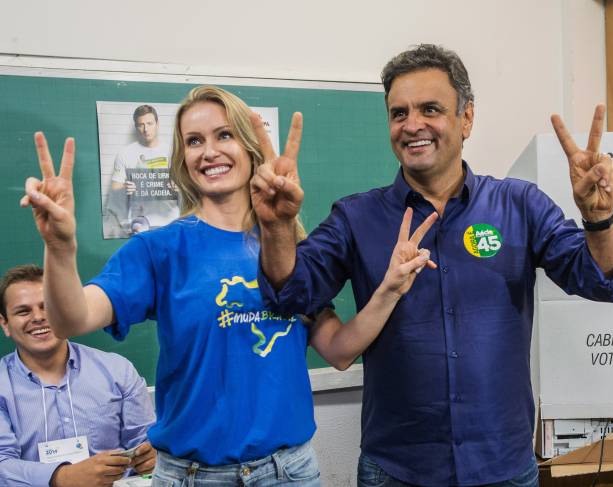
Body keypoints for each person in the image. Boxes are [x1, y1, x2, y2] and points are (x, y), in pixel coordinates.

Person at [250, 44, 613, 486]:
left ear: (466, 118)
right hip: (396, 471)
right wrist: (278, 227)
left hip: (502, 467)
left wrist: (599, 218)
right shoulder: (355, 218)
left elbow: (602, 281)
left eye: (430, 109)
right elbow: (289, 295)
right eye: (399, 113)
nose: (412, 125)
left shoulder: (519, 205)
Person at [20, 85, 436, 486]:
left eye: (225, 135)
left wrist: (391, 288)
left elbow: (341, 351)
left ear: (250, 147)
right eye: (194, 141)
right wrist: (59, 247)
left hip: (286, 473)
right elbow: (72, 319)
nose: (210, 151)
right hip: (192, 475)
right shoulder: (159, 249)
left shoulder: (291, 248)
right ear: (182, 159)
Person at [0, 264, 156, 487]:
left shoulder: (117, 371)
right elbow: (2, 464)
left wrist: (151, 457)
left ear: (65, 311)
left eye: (48, 307)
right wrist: (61, 477)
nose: (38, 317)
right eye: (23, 311)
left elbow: (146, 443)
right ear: (5, 323)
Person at [105, 104, 179, 236]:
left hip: (171, 221)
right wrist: (125, 188)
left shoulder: (173, 151)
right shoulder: (125, 153)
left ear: (157, 124)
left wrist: (179, 187)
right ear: (136, 127)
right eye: (141, 125)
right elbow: (115, 188)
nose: (146, 129)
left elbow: (189, 185)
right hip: (139, 224)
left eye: (150, 123)